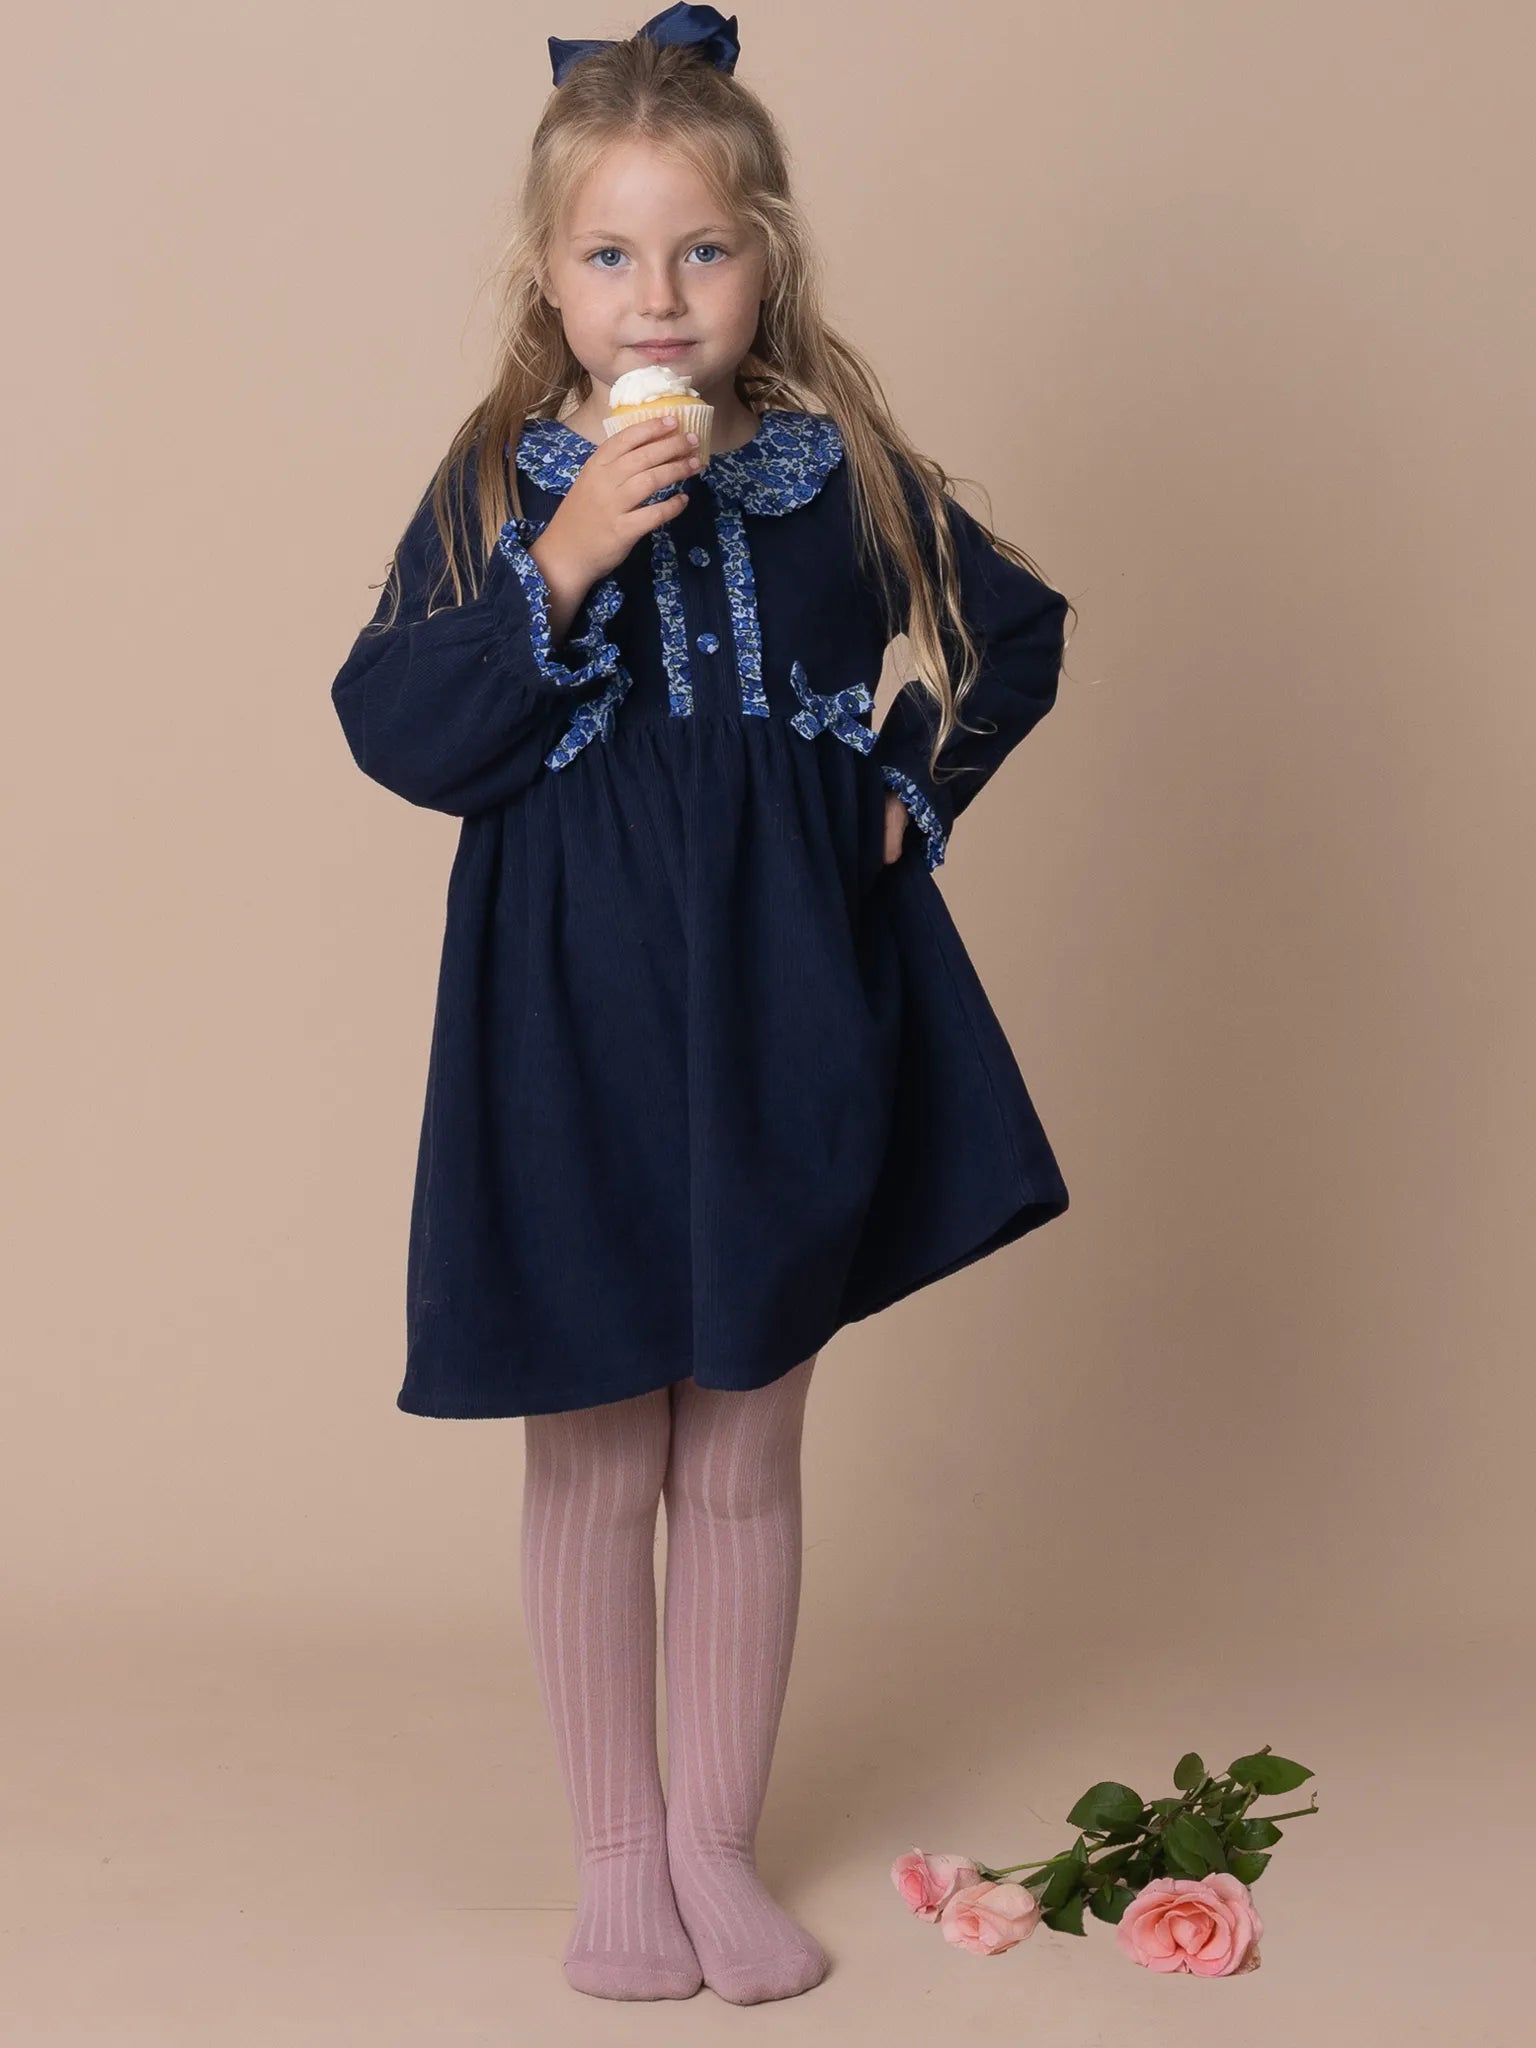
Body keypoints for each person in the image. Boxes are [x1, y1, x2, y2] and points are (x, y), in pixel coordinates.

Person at [328, 1, 1077, 2008]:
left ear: (768, 261)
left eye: (702, 251)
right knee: (593, 1445)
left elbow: (1016, 628)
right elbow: (391, 723)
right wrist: (557, 564)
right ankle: (615, 1859)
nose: (658, 295)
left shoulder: (840, 471)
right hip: (562, 1007)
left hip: (777, 999)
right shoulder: (505, 478)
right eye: (610, 254)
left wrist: (912, 783)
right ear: (549, 275)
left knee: (742, 1431)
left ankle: (714, 1848)